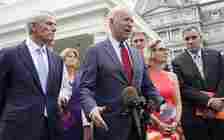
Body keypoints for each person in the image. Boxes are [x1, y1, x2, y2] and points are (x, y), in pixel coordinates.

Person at [79, 6, 164, 140]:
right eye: (126, 20)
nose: (130, 25)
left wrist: (160, 102)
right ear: (111, 22)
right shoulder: (94, 51)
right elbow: (85, 88)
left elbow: (148, 86)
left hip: (137, 125)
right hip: (109, 126)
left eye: (132, 21)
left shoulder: (137, 54)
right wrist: (91, 109)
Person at [0, 11, 64, 140]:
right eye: (49, 24)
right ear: (33, 27)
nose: (54, 28)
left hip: (50, 129)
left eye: (55, 25)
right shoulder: (9, 55)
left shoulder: (57, 60)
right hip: (18, 129)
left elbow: (53, 95)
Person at [172, 26, 224, 140]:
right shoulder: (177, 62)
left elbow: (222, 78)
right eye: (187, 39)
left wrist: (217, 100)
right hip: (194, 116)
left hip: (219, 110)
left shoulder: (215, 55)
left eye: (194, 37)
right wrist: (208, 102)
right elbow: (182, 87)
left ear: (201, 38)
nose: (190, 41)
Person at [145, 40, 183, 140]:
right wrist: (158, 123)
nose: (166, 52)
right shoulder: (143, 76)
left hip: (173, 128)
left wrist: (175, 122)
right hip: (152, 129)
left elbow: (178, 103)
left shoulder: (172, 76)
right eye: (161, 49)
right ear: (151, 53)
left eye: (166, 49)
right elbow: (142, 105)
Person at [58, 48, 90, 140]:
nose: (73, 58)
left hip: (81, 117)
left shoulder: (82, 76)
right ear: (63, 59)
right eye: (69, 56)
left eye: (75, 57)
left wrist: (87, 122)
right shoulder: (58, 77)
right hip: (64, 118)